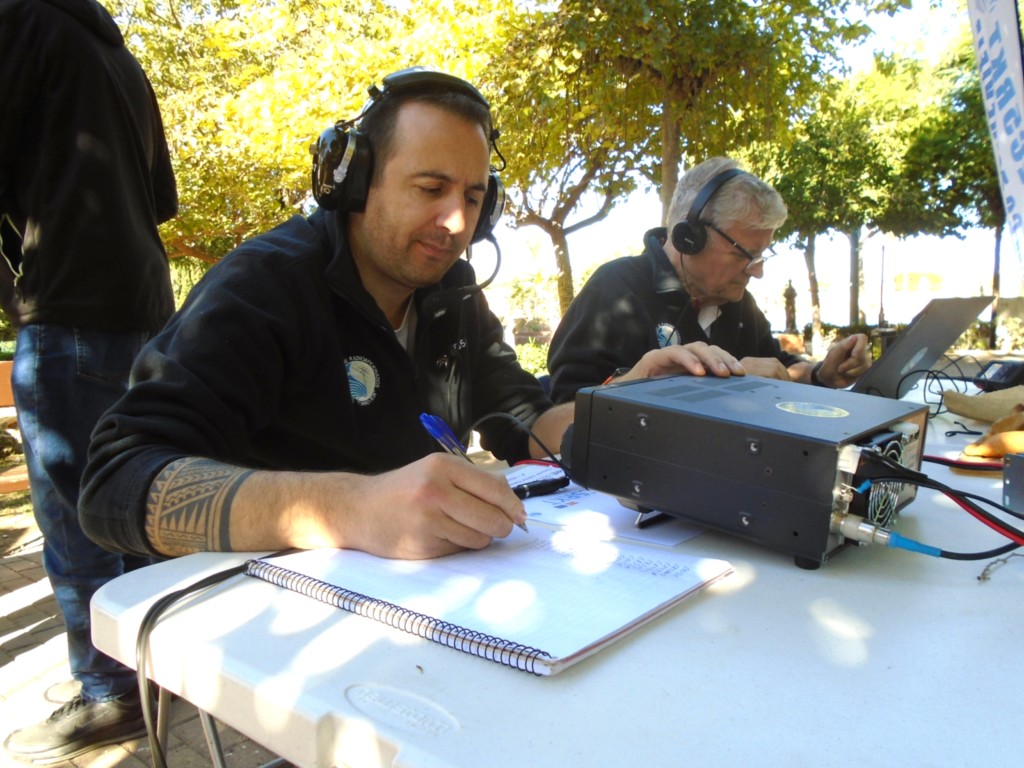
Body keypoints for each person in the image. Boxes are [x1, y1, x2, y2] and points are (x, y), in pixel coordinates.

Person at [78, 68, 743, 565]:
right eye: (430, 188)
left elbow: (528, 423)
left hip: (429, 601)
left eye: (475, 197)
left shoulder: (450, 293)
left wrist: (625, 405)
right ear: (355, 181)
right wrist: (350, 509)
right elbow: (115, 482)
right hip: (284, 618)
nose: (456, 222)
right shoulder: (266, 284)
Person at [0, 0, 178, 761]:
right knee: (135, 501)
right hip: (146, 306)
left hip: (70, 300)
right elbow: (162, 197)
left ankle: (110, 693)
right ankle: (161, 672)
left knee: (75, 516)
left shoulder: (18, 23)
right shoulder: (121, 60)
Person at [546, 156, 873, 404]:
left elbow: (774, 364)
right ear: (690, 238)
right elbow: (569, 405)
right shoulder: (616, 290)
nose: (757, 271)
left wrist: (821, 373)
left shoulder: (738, 303)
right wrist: (724, 383)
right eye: (746, 254)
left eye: (761, 257)